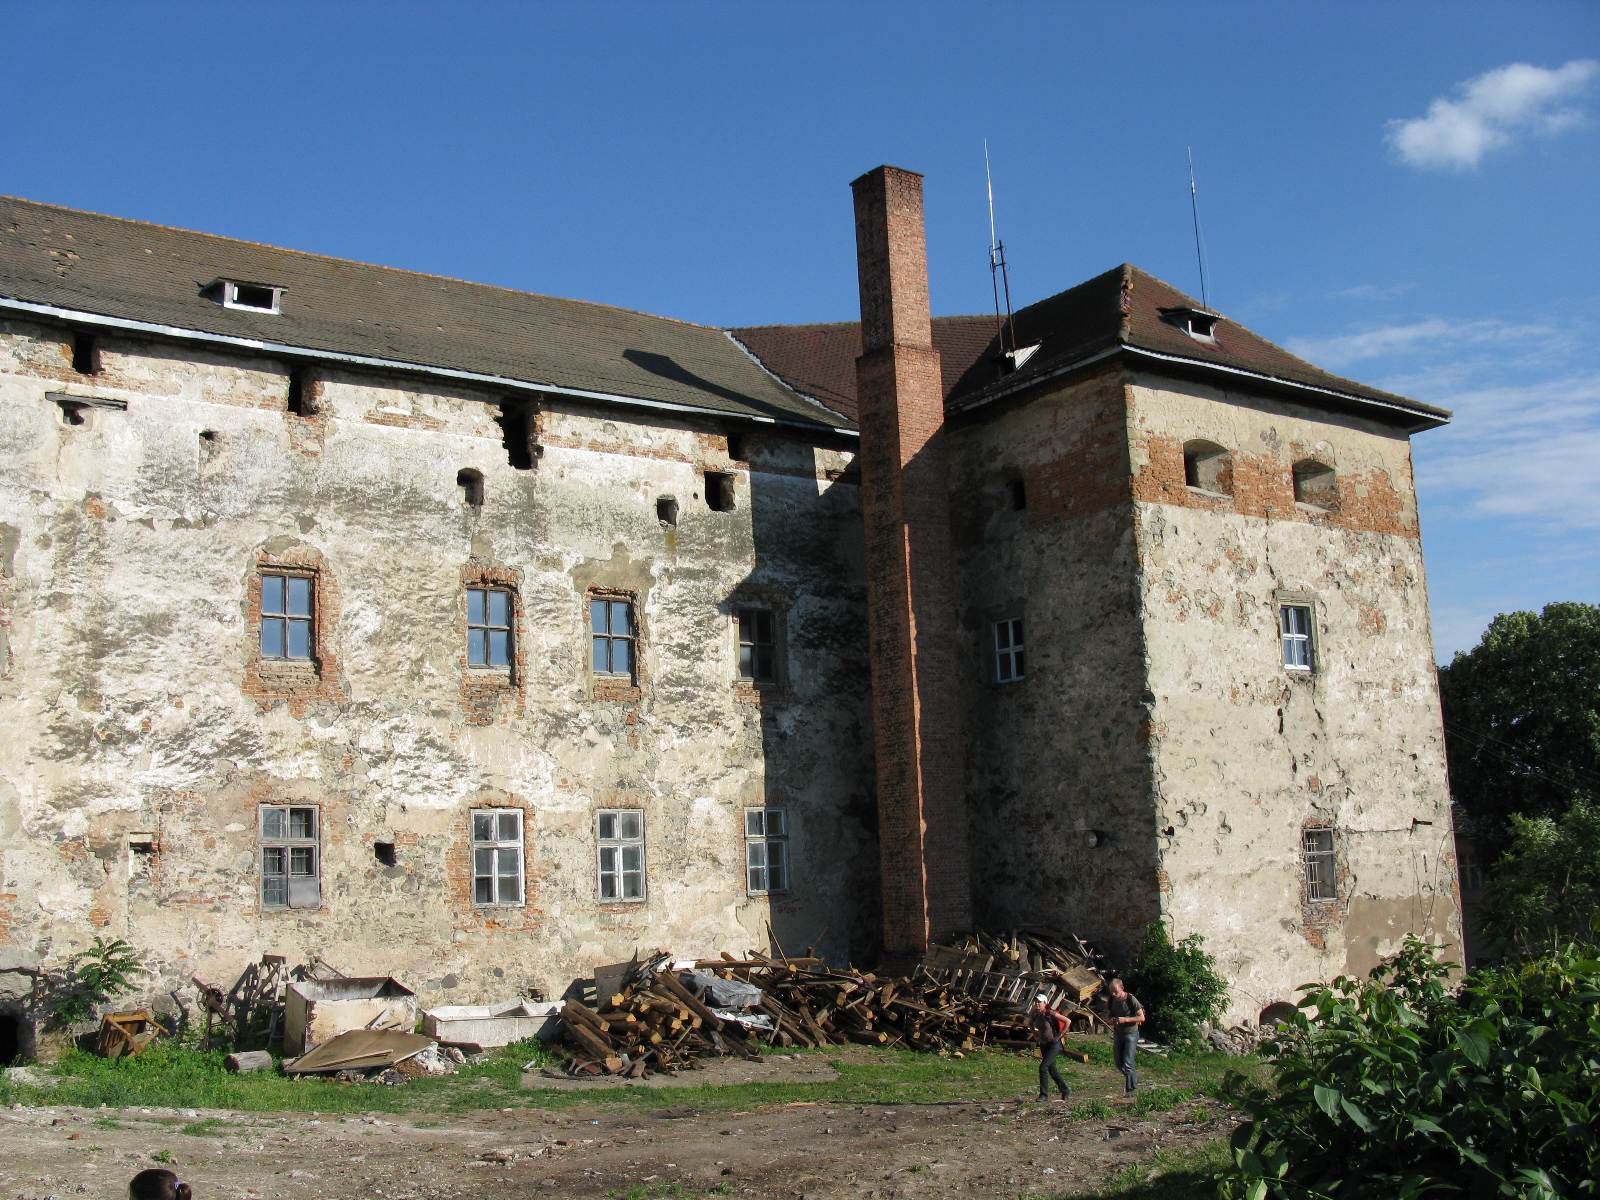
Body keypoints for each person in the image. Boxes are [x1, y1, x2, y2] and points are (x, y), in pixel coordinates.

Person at [1029, 993, 1071, 1102]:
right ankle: (1065, 1090)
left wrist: (1060, 1035)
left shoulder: (1049, 1013)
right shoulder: (1035, 1014)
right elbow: (1030, 1024)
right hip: (1044, 1044)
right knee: (1052, 1070)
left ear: (1045, 1003)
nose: (1037, 1004)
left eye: (1039, 1002)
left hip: (1053, 1044)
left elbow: (1067, 1021)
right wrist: (1035, 1035)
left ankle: (1044, 1095)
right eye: (1036, 1002)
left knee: (1043, 1067)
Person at [1106, 977, 1144, 1094]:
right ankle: (1134, 1080)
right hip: (1118, 1034)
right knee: (1119, 1063)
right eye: (1111, 991)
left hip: (1131, 1033)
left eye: (1115, 991)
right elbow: (1107, 1018)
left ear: (1122, 988)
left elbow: (1141, 1017)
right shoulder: (1111, 1001)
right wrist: (1112, 1020)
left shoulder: (1131, 999)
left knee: (1128, 1062)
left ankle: (1131, 1089)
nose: (1113, 994)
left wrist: (1125, 1020)